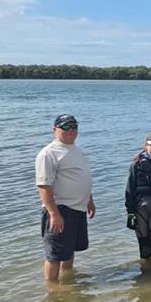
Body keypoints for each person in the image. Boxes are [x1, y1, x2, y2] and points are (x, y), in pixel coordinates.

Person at [35, 114, 96, 282]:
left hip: (79, 208)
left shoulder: (77, 151)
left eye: (74, 127)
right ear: (55, 130)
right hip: (60, 209)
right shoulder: (48, 153)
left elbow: (81, 178)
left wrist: (89, 199)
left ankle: (68, 283)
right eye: (66, 127)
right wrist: (54, 214)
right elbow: (44, 186)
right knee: (54, 255)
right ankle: (53, 290)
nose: (71, 131)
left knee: (70, 251)